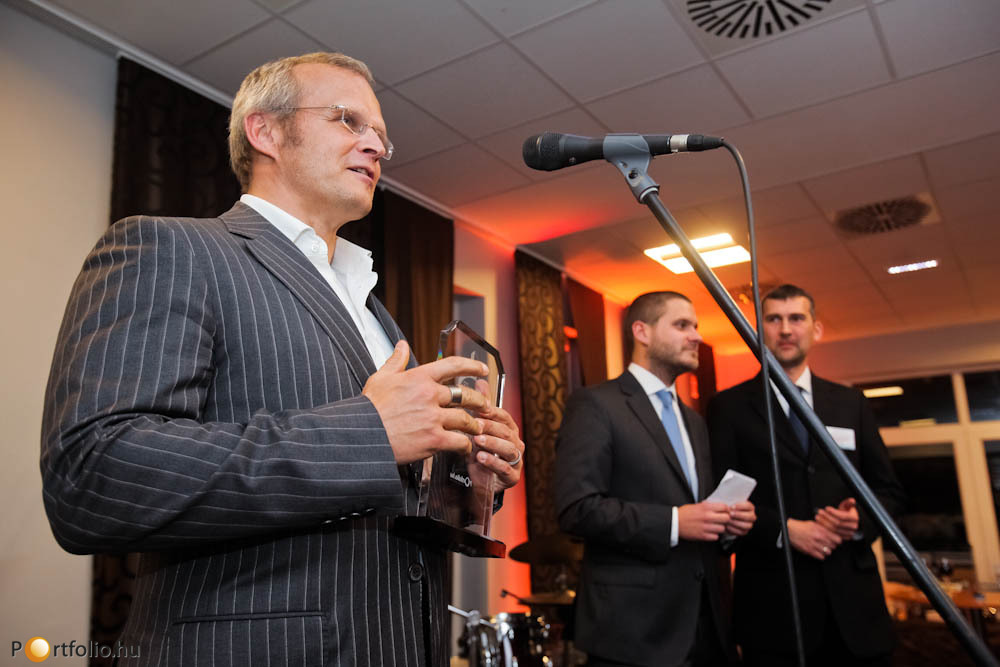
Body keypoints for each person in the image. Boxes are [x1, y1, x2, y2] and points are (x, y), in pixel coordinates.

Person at [40, 52, 524, 667]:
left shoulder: (374, 311)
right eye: (348, 120)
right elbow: (94, 477)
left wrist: (460, 479)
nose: (377, 146)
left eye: (382, 136)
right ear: (264, 131)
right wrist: (370, 433)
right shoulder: (171, 248)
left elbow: (386, 488)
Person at [707, 284, 904, 667]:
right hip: (774, 609)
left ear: (816, 329)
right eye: (774, 319)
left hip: (855, 611)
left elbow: (889, 492)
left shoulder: (850, 403)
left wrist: (858, 521)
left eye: (796, 318)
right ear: (759, 329)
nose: (785, 329)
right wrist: (784, 530)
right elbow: (721, 498)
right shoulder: (729, 407)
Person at [555, 291, 755, 667]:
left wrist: (726, 523)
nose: (696, 336)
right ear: (642, 332)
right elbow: (576, 509)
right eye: (682, 325)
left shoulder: (694, 420)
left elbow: (698, 510)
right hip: (633, 632)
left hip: (707, 627)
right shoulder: (596, 404)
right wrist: (675, 522)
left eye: (695, 326)